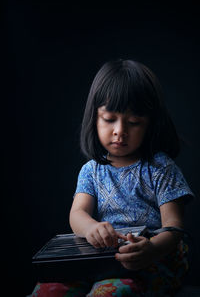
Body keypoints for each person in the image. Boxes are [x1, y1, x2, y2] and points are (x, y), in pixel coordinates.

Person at [31, 59, 194, 296]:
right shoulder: (92, 170)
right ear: (95, 118)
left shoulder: (161, 168)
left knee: (109, 292)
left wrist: (150, 249)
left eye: (134, 122)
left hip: (151, 262)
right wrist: (91, 229)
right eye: (109, 119)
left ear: (149, 124)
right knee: (46, 290)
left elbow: (174, 227)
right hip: (105, 261)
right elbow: (78, 214)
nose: (119, 130)